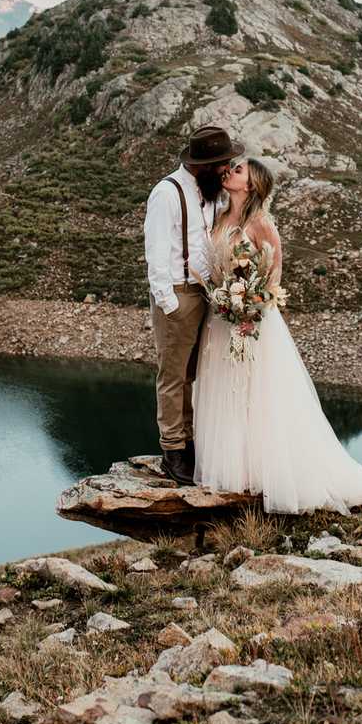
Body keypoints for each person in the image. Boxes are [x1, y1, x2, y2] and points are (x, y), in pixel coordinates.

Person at [192, 155, 362, 513]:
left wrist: (251, 309)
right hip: (220, 318)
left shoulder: (260, 223)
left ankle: (266, 471)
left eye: (239, 170)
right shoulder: (220, 215)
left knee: (257, 393)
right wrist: (222, 299)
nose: (230, 171)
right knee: (223, 388)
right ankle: (234, 469)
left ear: (252, 184)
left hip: (251, 321)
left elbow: (274, 275)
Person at [142, 124, 239, 485]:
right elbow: (155, 252)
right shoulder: (166, 193)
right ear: (203, 164)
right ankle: (173, 450)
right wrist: (168, 303)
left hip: (207, 294)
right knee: (173, 376)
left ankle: (190, 441)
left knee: (195, 374)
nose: (226, 170)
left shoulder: (212, 192)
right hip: (179, 295)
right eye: (221, 164)